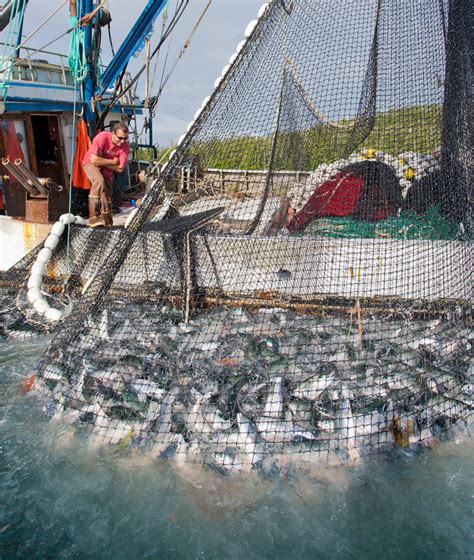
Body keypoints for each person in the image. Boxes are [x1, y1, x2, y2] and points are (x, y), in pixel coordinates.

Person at [82, 122, 130, 227]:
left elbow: (121, 168)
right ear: (113, 133)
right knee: (99, 181)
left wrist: (102, 162)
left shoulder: (125, 147)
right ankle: (93, 217)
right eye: (120, 138)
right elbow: (93, 160)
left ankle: (108, 224)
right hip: (90, 164)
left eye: (125, 139)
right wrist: (112, 162)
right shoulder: (102, 137)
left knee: (106, 198)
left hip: (106, 171)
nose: (122, 141)